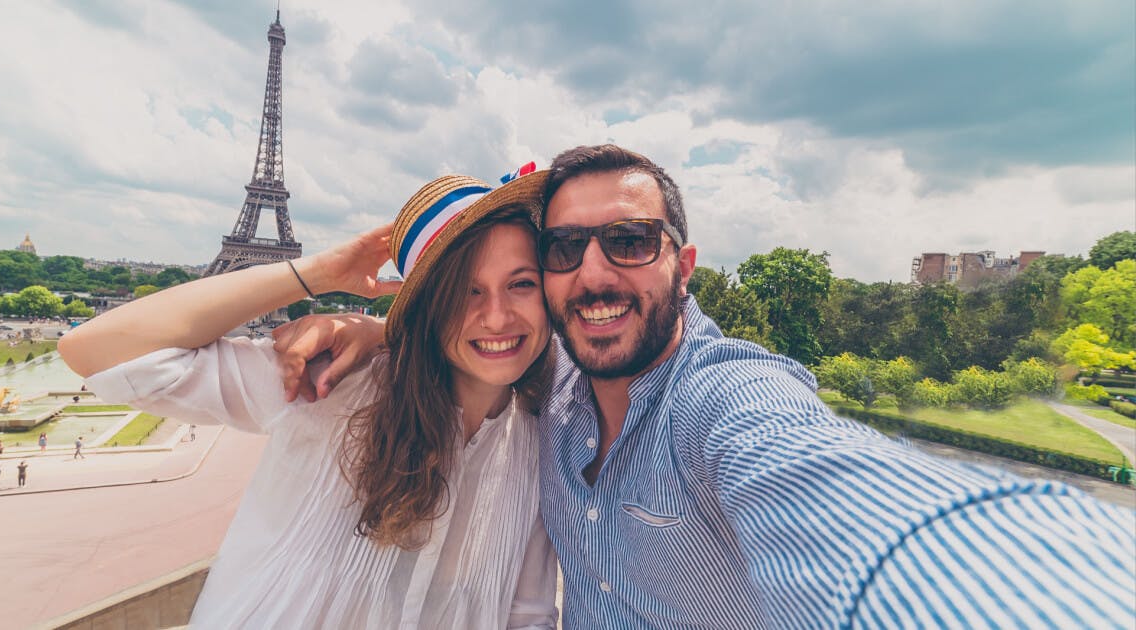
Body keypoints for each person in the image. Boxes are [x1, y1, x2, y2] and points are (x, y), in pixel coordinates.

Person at [275, 144, 1136, 628]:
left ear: (683, 268)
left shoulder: (724, 403)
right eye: (565, 252)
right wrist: (383, 327)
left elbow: (862, 507)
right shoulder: (560, 379)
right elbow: (489, 328)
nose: (596, 274)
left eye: (632, 242)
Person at [57, 167, 559, 629]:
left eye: (520, 284)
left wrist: (381, 328)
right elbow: (94, 351)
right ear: (427, 308)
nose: (497, 317)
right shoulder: (330, 380)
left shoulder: (543, 441)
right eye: (466, 291)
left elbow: (526, 616)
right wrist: (313, 274)